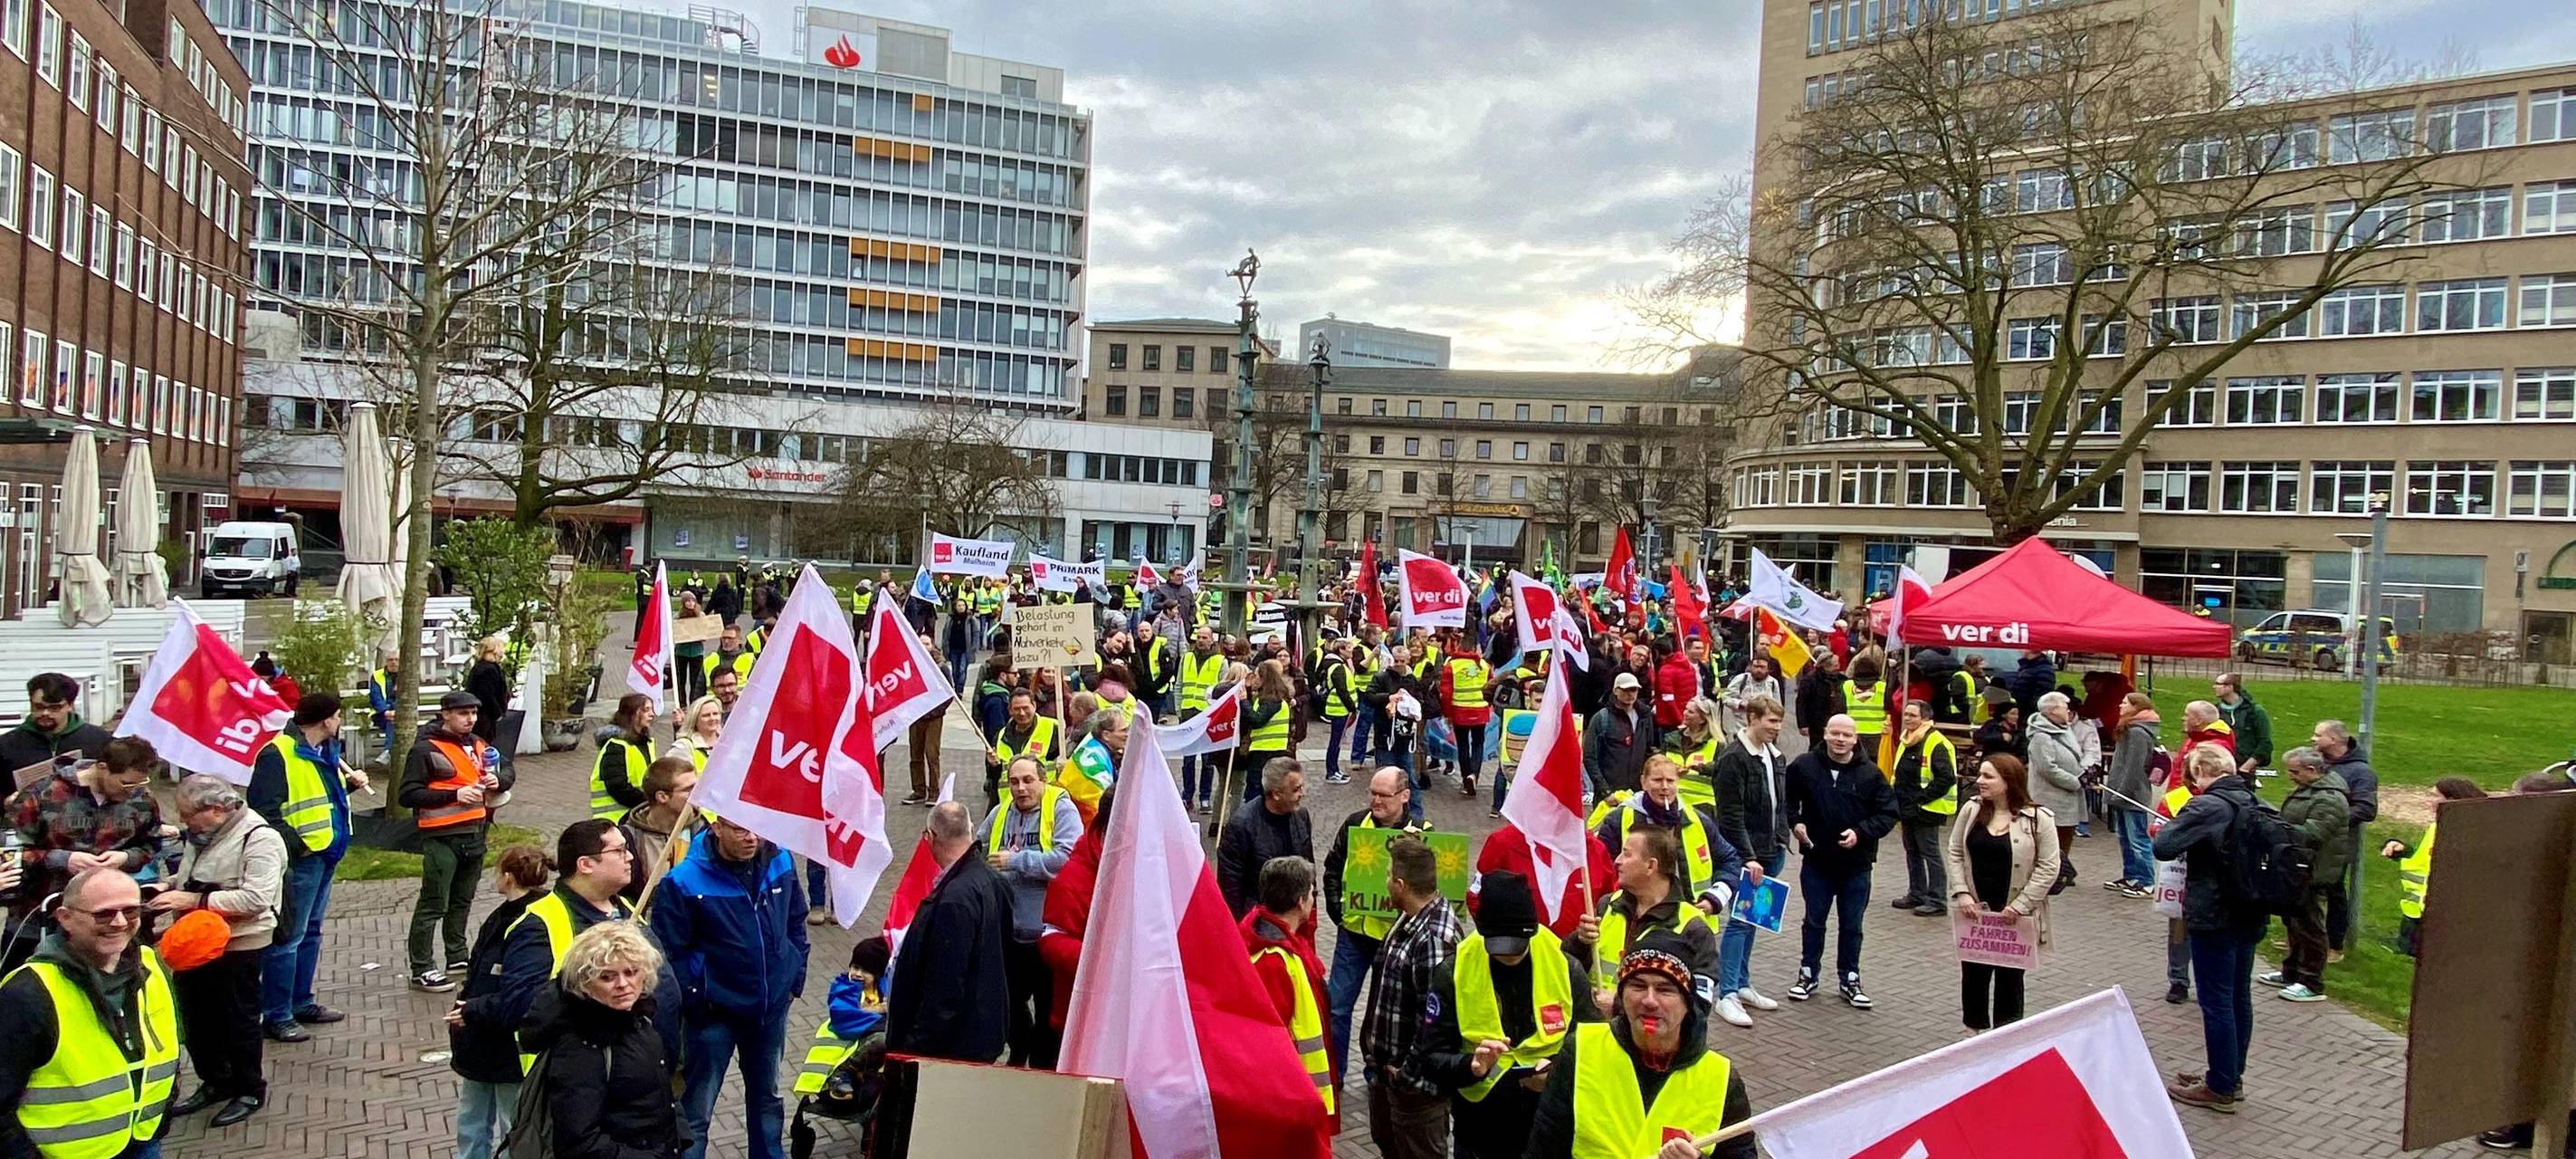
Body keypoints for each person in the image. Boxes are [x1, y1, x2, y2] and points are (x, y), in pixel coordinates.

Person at [648, 817, 806, 1159]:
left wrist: (794, 979)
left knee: (768, 1102)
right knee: (696, 1111)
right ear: (717, 828)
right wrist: (698, 1000)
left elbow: (796, 921)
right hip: (713, 1019)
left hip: (769, 1013)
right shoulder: (683, 881)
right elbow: (670, 953)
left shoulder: (780, 860)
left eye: (757, 828)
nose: (751, 838)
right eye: (739, 829)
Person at [1522, 931, 1758, 1159]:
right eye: (1637, 986)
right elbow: (1545, 1147)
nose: (1649, 1000)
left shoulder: (1720, 1078)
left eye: (1665, 990)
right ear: (1622, 996)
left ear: (1687, 1003)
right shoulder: (1581, 1049)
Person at [0, 868, 180, 1159]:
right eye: (103, 914)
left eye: (131, 911)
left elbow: (164, 1045)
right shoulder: (27, 992)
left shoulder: (149, 963)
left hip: (143, 1139)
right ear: (65, 918)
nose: (119, 922)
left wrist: (163, 1111)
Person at [1417, 871, 1598, 1159]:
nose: (1508, 955)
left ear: (1532, 931)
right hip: (1479, 1133)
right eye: (1498, 944)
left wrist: (1557, 1072)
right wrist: (1470, 1067)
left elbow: (1595, 1047)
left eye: (1517, 944)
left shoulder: (1565, 967)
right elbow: (1430, 1058)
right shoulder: (1454, 971)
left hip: (1547, 1132)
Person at [154, 773, 289, 1126]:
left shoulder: (260, 839)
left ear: (215, 809)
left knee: (237, 1019)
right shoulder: (203, 834)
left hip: (238, 943)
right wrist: (168, 886)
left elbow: (256, 898)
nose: (183, 821)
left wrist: (192, 899)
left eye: (188, 814)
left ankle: (248, 1089)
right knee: (197, 1019)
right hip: (195, 941)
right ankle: (215, 1081)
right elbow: (193, 875)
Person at [2152, 745, 2273, 1114]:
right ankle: (2230, 1074)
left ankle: (2220, 1086)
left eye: (2192, 775)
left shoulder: (2206, 806)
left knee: (2216, 1000)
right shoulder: (2256, 802)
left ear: (2202, 771)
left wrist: (2175, 824)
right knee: (2238, 995)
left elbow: (2164, 845)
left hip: (2214, 913)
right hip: (2250, 909)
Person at [478, 820, 638, 1084]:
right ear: (585, 864)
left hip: (635, 1070)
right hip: (578, 1077)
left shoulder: (626, 909)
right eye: (619, 850)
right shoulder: (538, 925)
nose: (630, 856)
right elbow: (520, 1008)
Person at [250, 693, 366, 1041]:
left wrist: (348, 787)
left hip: (326, 852)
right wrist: (300, 846)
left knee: (310, 931)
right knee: (289, 936)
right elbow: (264, 811)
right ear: (325, 720)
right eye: (337, 716)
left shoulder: (325, 751)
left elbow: (322, 797)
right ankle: (277, 1014)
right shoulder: (278, 754)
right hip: (303, 858)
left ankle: (301, 1001)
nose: (340, 722)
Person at [521, 922, 683, 1159]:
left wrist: (679, 1135)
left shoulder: (638, 1019)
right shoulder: (581, 1046)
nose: (623, 985)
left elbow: (659, 1091)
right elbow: (579, 1143)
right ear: (585, 984)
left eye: (631, 972)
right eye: (607, 977)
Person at [5, 735, 167, 972]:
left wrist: (126, 857)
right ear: (101, 768)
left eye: (140, 784)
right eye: (125, 784)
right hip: (38, 914)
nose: (132, 791)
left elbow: (152, 844)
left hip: (108, 918)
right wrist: (63, 859)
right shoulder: (42, 794)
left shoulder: (142, 800)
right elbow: (11, 852)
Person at [1588, 758, 1742, 987]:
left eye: (1670, 781)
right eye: (1657, 780)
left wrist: (1715, 898)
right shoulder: (1619, 819)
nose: (1664, 787)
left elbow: (1730, 860)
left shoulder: (1697, 820)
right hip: (1634, 918)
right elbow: (1602, 868)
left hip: (1687, 923)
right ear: (1643, 781)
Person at [1321, 769, 1431, 1087]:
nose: (1376, 800)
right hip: (1354, 934)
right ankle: (1335, 1075)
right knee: (1337, 1007)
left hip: (1396, 940)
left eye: (1384, 795)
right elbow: (1332, 868)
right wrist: (1337, 910)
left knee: (1384, 1013)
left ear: (1404, 796)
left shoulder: (1422, 832)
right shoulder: (1355, 824)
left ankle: (1376, 1077)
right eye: (1373, 793)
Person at [401, 690, 513, 993]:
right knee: (434, 902)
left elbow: (506, 769)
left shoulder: (477, 744)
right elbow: (408, 794)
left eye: (474, 713)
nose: (471, 719)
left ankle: (457, 957)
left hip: (474, 833)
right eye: (464, 713)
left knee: (462, 900)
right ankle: (422, 968)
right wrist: (455, 795)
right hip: (441, 835)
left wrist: (499, 780)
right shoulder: (425, 749)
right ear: (446, 714)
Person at [1783, 714, 1899, 1008]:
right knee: (1813, 921)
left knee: (1852, 925)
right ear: (1825, 733)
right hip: (1817, 862)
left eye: (1846, 735)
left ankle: (1850, 978)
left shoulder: (1871, 774)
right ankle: (1807, 974)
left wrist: (1861, 833)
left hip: (1856, 866)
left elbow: (1888, 813)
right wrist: (1795, 822)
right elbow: (1788, 801)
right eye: (1835, 733)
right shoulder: (1804, 766)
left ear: (1855, 739)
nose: (1840, 739)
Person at [447, 846, 554, 1159]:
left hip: (505, 1046)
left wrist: (470, 1009)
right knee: (479, 1116)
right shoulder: (513, 914)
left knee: (506, 1123)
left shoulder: (523, 921)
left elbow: (514, 994)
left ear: (507, 877)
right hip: (483, 1041)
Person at [883, 802, 1011, 1063]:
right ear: (971, 828)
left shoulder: (954, 900)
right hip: (984, 1031)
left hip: (954, 1048)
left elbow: (945, 987)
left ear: (929, 837)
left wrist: (914, 1049)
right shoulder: (994, 880)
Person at [1359, 838, 1462, 1159]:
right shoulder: (1409, 918)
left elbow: (1434, 1024)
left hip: (1416, 1092)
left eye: (1388, 875)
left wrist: (1406, 1076)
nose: (1386, 881)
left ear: (1401, 885)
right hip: (1390, 1079)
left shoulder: (1434, 940)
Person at [1942, 754, 2060, 1032]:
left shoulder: (2039, 818)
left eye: (1988, 776)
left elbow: (2048, 867)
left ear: (2008, 781)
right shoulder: (1971, 810)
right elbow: (1955, 851)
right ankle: (1974, 1033)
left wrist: (2020, 905)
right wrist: (1962, 893)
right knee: (1973, 976)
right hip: (1976, 911)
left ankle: (2006, 1036)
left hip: (2014, 913)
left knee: (2010, 979)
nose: (1980, 781)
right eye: (1980, 775)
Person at [978, 756, 1081, 1068]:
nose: (1021, 788)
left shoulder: (1061, 810)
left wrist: (1016, 861)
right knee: (1007, 1002)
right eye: (1014, 782)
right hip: (1010, 934)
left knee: (1049, 1011)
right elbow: (976, 848)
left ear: (1042, 780)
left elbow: (1067, 860)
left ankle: (1041, 1068)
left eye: (1028, 780)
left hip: (1047, 935)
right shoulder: (1000, 813)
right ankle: (1019, 1049)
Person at [1566, 824, 1722, 1007]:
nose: (1617, 861)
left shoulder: (1692, 927)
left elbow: (1699, 1005)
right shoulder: (1607, 905)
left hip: (1645, 1026)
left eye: (1627, 854)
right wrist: (1580, 941)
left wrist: (1618, 1006)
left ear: (1650, 866)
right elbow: (1568, 968)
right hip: (1596, 1024)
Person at [1708, 693, 1789, 1024]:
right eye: (1772, 721)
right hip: (1750, 855)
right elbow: (1731, 814)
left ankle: (1741, 983)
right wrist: (1747, 856)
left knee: (1755, 919)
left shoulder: (1774, 755)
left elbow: (1779, 801)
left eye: (1779, 722)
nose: (1777, 728)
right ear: (1752, 718)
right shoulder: (1734, 758)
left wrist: (1784, 836)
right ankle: (1726, 993)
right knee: (1740, 922)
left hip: (1771, 850)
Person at [1241, 857, 1334, 1125]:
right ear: (1301, 902)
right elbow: (1273, 1041)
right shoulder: (1274, 962)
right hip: (1294, 1100)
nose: (1314, 900)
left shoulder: (1281, 942)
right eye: (1312, 893)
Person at [2261, 747, 2350, 1003]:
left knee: (2310, 926)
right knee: (2293, 923)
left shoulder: (2330, 799)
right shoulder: (2309, 790)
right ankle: (2291, 972)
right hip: (2297, 868)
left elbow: (2314, 834)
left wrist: (2276, 828)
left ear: (2312, 770)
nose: (2290, 776)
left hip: (2313, 871)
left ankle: (2311, 982)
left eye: (2294, 771)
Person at [2381, 777, 2486, 958]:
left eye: (2434, 796)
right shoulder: (2438, 827)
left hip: (2437, 915)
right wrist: (2403, 851)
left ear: (2451, 801)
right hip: (2419, 910)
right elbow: (2425, 860)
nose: (2427, 801)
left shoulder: (2462, 833)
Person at [2310, 719, 2377, 960]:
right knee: (2306, 890)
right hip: (2312, 837)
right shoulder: (2318, 763)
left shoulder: (2360, 772)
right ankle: (2307, 936)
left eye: (2317, 735)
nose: (2313, 739)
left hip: (2337, 844)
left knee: (2334, 891)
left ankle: (2334, 945)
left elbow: (2366, 809)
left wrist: (2332, 819)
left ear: (2333, 739)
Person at [1886, 700, 1960, 917]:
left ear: (1925, 718)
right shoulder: (1907, 739)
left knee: (1930, 853)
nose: (1907, 718)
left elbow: (1946, 777)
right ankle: (1916, 893)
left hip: (1927, 808)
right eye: (1906, 714)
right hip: (1908, 807)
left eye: (1912, 715)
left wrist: (1921, 799)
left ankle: (1937, 899)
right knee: (1913, 851)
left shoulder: (1936, 742)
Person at [1218, 758, 1314, 920]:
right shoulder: (1241, 825)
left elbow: (1308, 867)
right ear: (1276, 794)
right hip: (1259, 920)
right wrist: (1241, 926)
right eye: (1296, 789)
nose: (1302, 794)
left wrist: (1311, 912)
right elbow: (1230, 885)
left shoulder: (1301, 816)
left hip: (1296, 919)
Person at [2026, 691, 2097, 894]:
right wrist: (2075, 781)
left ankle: (2060, 871)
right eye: (2065, 708)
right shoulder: (2040, 736)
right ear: (2053, 711)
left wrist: (2084, 771)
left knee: (2066, 834)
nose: (2069, 711)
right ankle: (2048, 874)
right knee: (2050, 837)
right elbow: (2047, 768)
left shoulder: (2065, 729)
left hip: (2068, 796)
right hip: (2050, 796)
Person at [2103, 692, 2163, 897]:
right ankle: (2131, 876)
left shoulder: (2138, 732)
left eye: (2125, 703)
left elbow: (2134, 767)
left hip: (2132, 795)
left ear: (2136, 707)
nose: (2120, 705)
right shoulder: (2129, 728)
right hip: (2120, 793)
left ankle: (2146, 881)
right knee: (2124, 838)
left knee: (2137, 838)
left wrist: (2122, 792)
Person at [620, 757, 705, 899]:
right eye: (688, 790)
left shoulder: (703, 830)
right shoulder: (629, 838)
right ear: (662, 797)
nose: (697, 794)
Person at [0, 673, 114, 772]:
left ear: (70, 705)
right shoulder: (6, 745)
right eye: (38, 707)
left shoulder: (100, 740)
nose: (45, 713)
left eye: (54, 708)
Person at [985, 689, 1061, 817]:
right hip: (1009, 807)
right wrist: (993, 765)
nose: (1022, 713)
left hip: (1043, 805)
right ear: (1010, 710)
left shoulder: (1053, 729)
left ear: (1034, 706)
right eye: (1017, 709)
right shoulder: (1001, 736)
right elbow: (994, 778)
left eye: (1025, 708)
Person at [1177, 625, 1228, 810]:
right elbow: (1179, 685)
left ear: (1212, 640)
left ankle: (1205, 798)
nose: (1200, 640)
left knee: (1208, 761)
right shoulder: (1187, 657)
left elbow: (1223, 690)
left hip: (1208, 717)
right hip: (1188, 715)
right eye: (1198, 637)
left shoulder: (1220, 661)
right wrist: (1179, 710)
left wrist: (1218, 716)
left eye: (1204, 637)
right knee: (1188, 760)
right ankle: (1187, 796)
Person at [1582, 673, 1655, 797]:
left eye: (1634, 690)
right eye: (1625, 690)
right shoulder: (1601, 718)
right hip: (1610, 794)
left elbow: (1648, 751)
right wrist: (1605, 792)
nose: (1630, 694)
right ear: (1615, 691)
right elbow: (1590, 757)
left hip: (1637, 793)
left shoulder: (1644, 716)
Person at [589, 694, 659, 821]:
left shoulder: (646, 743)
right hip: (615, 820)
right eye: (646, 710)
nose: (652, 714)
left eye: (651, 709)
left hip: (636, 816)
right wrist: (649, 802)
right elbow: (617, 786)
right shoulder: (616, 746)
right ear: (632, 714)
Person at [1437, 635, 1493, 797]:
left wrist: (1447, 714)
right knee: (1478, 744)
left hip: (1459, 710)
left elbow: (1446, 693)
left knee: (1462, 745)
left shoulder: (1452, 665)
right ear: (1475, 648)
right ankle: (1473, 775)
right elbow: (1491, 686)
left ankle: (1465, 777)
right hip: (1480, 710)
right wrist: (1488, 706)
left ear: (1459, 647)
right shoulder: (1484, 665)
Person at [1240, 660, 1298, 803]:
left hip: (1265, 751)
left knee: (1256, 791)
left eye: (1257, 676)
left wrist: (1244, 702)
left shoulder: (1271, 700)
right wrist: (1248, 692)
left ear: (1264, 678)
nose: (1255, 679)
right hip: (1271, 749)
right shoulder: (1274, 698)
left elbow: (1257, 720)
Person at [2213, 673, 2273, 776]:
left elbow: (2265, 743)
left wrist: (2245, 768)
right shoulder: (2215, 712)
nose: (2215, 687)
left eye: (2218, 684)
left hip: (2244, 770)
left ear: (2230, 687)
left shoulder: (2254, 711)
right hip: (2220, 769)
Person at [1317, 639, 1358, 785]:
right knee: (1336, 742)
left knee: (1337, 741)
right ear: (1341, 650)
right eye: (1349, 648)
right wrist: (1352, 707)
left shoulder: (1337, 665)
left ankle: (1334, 769)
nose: (1352, 650)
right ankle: (1332, 771)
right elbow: (1342, 690)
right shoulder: (1338, 667)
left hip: (1340, 709)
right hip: (1340, 709)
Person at [1793, 649, 1848, 753]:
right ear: (1827, 666)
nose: (1838, 667)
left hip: (1837, 722)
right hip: (1817, 724)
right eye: (1836, 665)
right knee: (1817, 749)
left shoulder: (1843, 680)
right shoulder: (1809, 680)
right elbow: (1801, 702)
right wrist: (1802, 724)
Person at [465, 636, 510, 745]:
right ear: (494, 649)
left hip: (480, 715)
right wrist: (497, 713)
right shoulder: (489, 670)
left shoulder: (479, 667)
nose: (502, 651)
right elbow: (486, 695)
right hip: (485, 718)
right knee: (484, 744)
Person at [673, 590, 710, 705]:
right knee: (680, 680)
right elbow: (674, 633)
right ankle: (682, 703)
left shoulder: (701, 615)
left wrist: (703, 635)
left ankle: (694, 703)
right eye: (687, 601)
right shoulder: (678, 616)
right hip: (681, 652)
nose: (690, 603)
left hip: (696, 652)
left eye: (692, 600)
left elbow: (706, 633)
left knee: (696, 680)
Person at [673, 695, 725, 768]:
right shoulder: (683, 747)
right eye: (706, 715)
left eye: (715, 714)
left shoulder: (728, 741)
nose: (712, 718)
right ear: (695, 719)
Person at [703, 626, 757, 691]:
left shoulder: (749, 660)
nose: (726, 641)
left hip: (740, 697)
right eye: (724, 638)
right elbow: (699, 688)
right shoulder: (709, 660)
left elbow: (756, 687)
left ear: (740, 640)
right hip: (714, 697)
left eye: (730, 638)